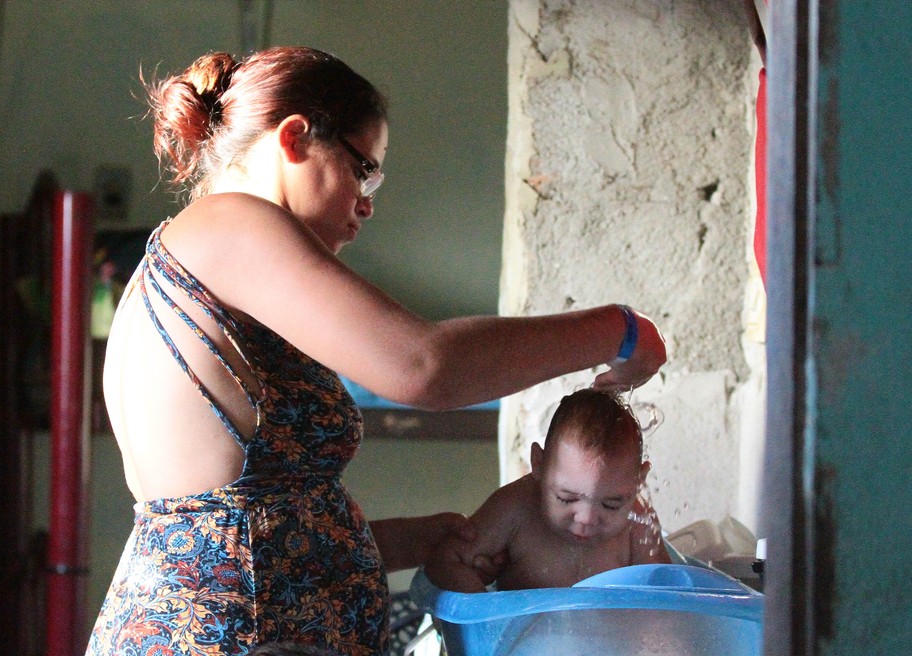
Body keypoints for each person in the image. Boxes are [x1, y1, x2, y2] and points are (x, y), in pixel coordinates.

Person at [86, 46, 667, 656]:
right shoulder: (227, 224)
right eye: (364, 170)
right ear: (294, 139)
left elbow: (240, 526)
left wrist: (412, 539)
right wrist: (617, 329)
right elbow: (427, 367)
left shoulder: (196, 259)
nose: (367, 203)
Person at [425, 388, 671, 593]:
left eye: (611, 504)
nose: (586, 518)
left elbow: (669, 596)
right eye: (566, 498)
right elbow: (446, 561)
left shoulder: (638, 520)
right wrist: (483, 611)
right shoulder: (515, 508)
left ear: (638, 481)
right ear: (539, 465)